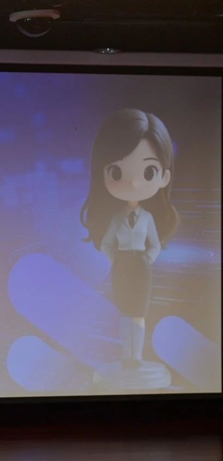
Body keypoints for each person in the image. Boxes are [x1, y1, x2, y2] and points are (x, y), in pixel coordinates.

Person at [80, 108, 179, 369]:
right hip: (122, 265)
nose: (134, 183)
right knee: (124, 311)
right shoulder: (116, 218)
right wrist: (118, 259)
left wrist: (146, 259)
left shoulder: (147, 218)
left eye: (148, 172)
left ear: (163, 177)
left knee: (139, 313)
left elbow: (154, 243)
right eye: (116, 171)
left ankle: (137, 357)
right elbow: (107, 243)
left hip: (141, 266)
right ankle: (128, 356)